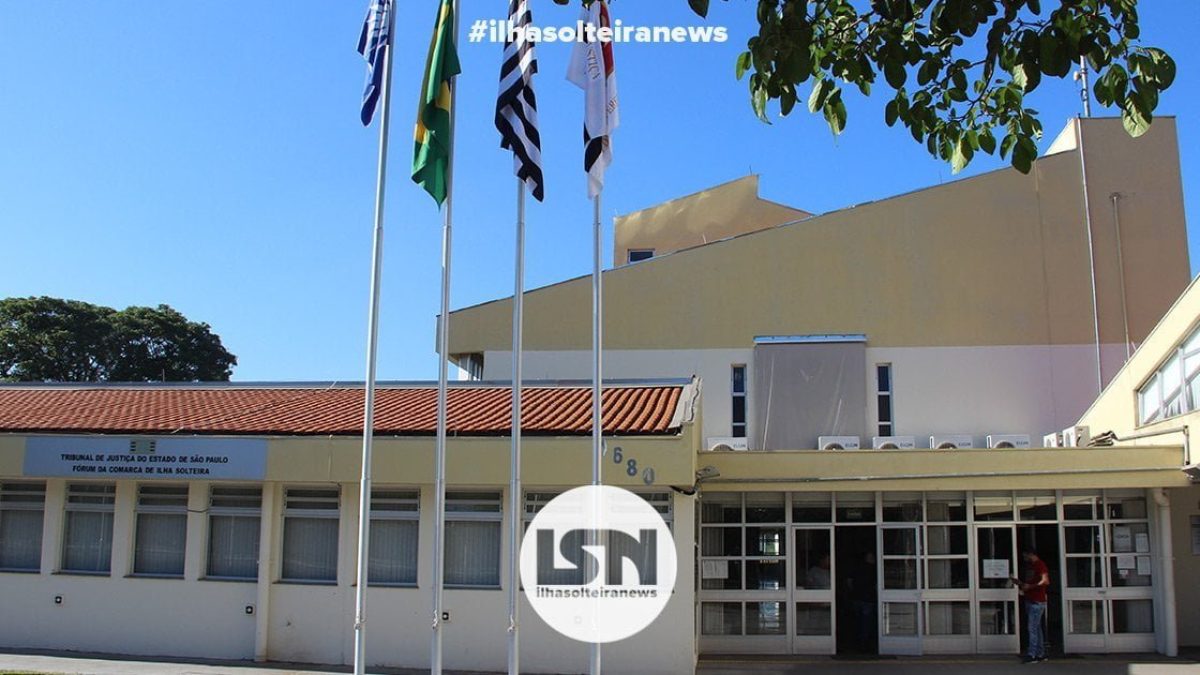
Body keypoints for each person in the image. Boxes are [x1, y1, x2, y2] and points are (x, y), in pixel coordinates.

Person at [1012, 549, 1050, 664]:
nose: (1024, 558)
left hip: (1037, 602)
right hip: (1032, 599)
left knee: (1032, 628)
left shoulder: (1040, 565)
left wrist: (1030, 587)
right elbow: (1031, 583)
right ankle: (1040, 653)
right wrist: (1020, 583)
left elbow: (1045, 581)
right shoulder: (1032, 566)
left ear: (1031, 554)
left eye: (1025, 555)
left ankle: (1032, 654)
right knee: (1037, 628)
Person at [845, 551, 878, 652]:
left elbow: (849, 581)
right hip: (868, 599)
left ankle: (856, 641)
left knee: (857, 620)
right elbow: (878, 585)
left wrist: (853, 591)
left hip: (857, 598)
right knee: (866, 623)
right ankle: (864, 644)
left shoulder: (857, 567)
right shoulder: (874, 569)